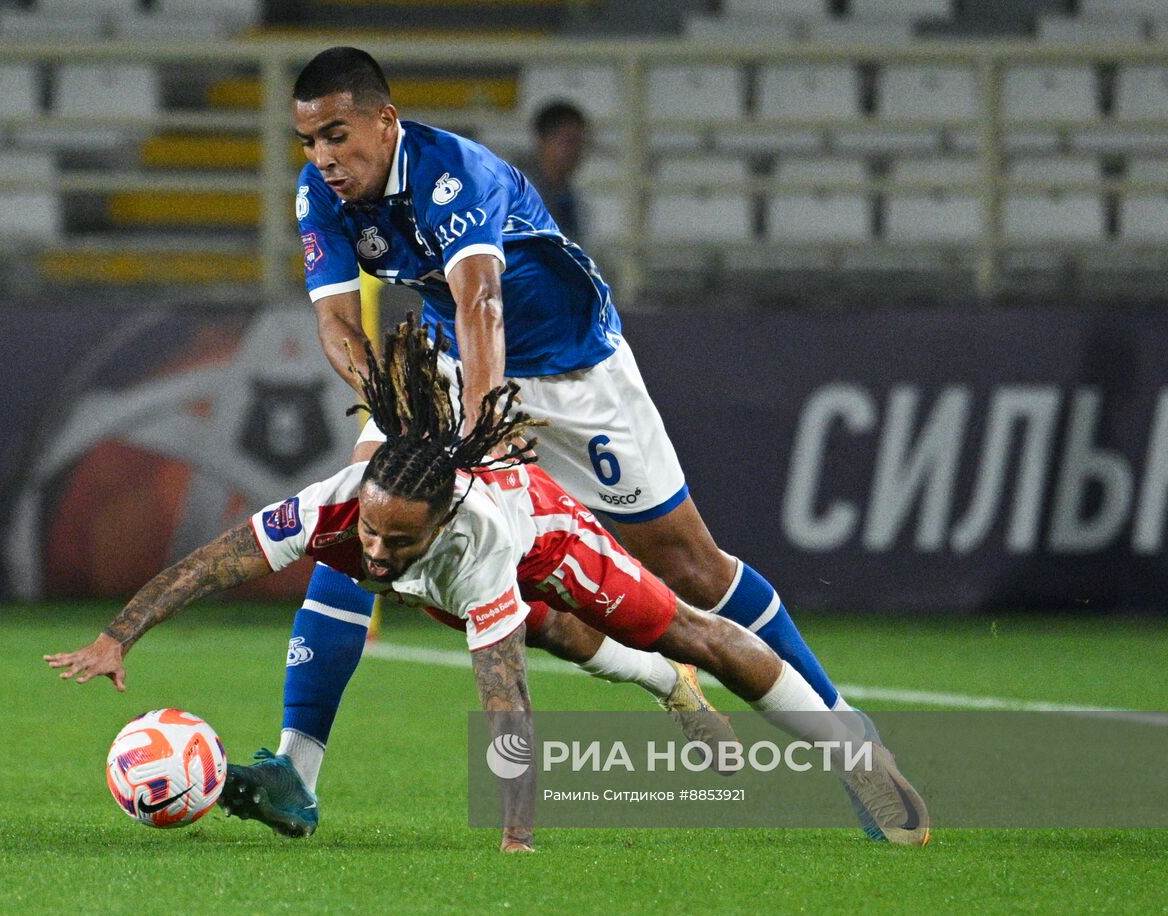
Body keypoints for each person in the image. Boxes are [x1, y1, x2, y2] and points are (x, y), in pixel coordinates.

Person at [264, 45, 880, 840]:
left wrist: (483, 435)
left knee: (690, 564)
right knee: (355, 513)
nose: (324, 158)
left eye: (338, 136)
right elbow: (338, 324)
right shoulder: (321, 192)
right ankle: (295, 770)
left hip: (574, 370)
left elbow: (480, 297)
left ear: (385, 120)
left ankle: (845, 734)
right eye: (310, 142)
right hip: (454, 364)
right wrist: (387, 401)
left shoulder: (455, 174)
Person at [45, 322, 931, 851]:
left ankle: (853, 754)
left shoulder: (480, 546)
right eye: (374, 529)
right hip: (466, 560)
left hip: (549, 538)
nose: (379, 554)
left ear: (437, 521)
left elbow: (502, 701)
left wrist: (517, 827)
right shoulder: (339, 508)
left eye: (399, 538)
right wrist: (119, 635)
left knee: (682, 631)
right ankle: (664, 686)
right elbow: (211, 562)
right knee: (563, 641)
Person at [517, 100, 589, 242]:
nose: (577, 151)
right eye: (569, 141)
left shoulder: (567, 196)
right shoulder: (517, 194)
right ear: (543, 140)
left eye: (581, 143)